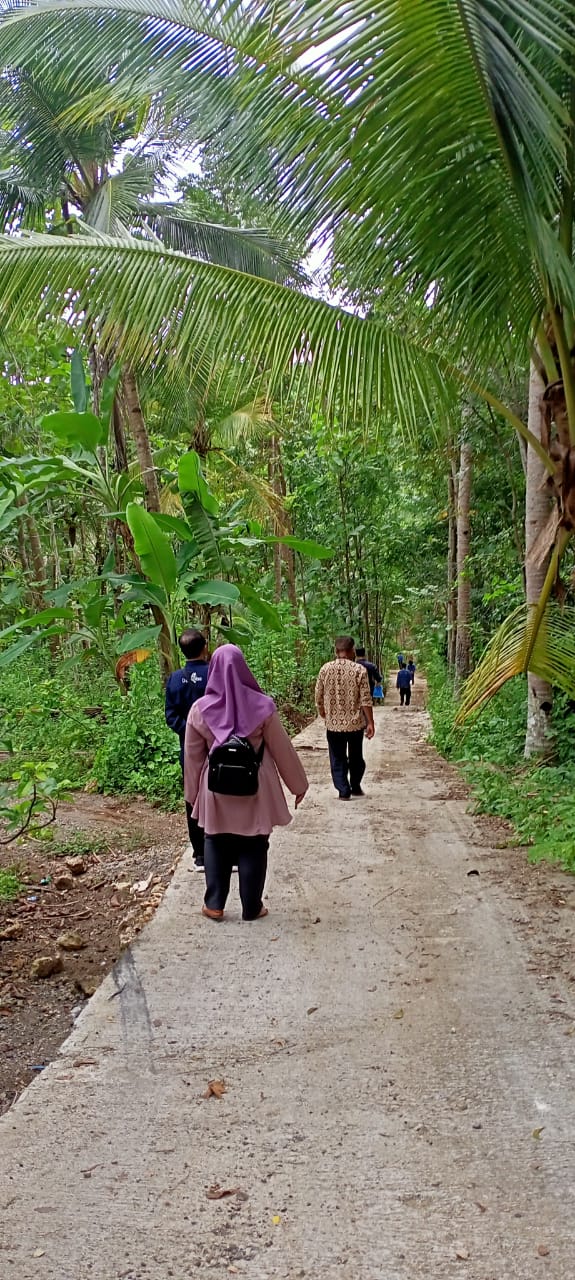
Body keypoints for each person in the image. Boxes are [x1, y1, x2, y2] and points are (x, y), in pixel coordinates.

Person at [184, 645, 308, 922]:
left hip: (215, 788)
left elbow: (192, 758)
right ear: (243, 668)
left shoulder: (199, 710)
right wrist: (298, 785)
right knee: (254, 843)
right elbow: (281, 749)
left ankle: (214, 904)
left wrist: (192, 794)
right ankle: (252, 907)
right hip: (255, 787)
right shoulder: (263, 706)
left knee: (215, 839)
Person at [165, 628, 209, 871]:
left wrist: (189, 732)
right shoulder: (215, 673)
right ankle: (225, 850)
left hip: (188, 750)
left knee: (192, 796)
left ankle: (200, 855)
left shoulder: (175, 679)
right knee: (221, 792)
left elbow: (170, 716)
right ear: (205, 647)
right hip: (216, 746)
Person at [315, 636, 375, 800]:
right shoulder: (359, 670)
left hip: (333, 724)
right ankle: (355, 785)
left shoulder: (325, 669)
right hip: (355, 724)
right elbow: (365, 699)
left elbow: (318, 694)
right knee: (356, 757)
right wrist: (370, 722)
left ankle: (343, 790)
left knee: (337, 757)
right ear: (352, 651)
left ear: (336, 651)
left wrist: (322, 711)